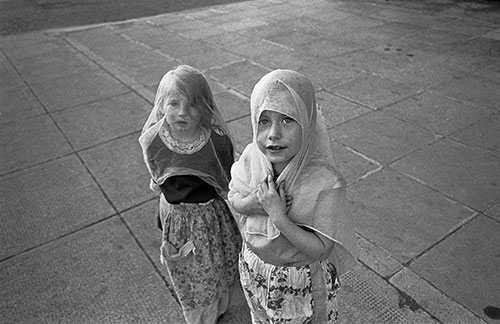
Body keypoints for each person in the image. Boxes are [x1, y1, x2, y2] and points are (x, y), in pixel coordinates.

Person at [228, 69, 358, 324]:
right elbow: (234, 197)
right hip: (255, 270)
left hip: (298, 284)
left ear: (307, 123)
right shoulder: (253, 157)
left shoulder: (325, 182)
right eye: (264, 121)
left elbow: (321, 249)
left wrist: (278, 216)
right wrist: (253, 203)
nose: (273, 133)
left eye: (287, 120)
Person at [138, 65, 241, 324]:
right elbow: (159, 179)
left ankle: (217, 307)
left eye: (193, 104)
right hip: (178, 220)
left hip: (211, 219)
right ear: (161, 105)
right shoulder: (154, 141)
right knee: (187, 272)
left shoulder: (216, 142)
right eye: (174, 103)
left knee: (215, 267)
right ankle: (199, 316)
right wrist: (164, 214)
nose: (182, 112)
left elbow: (226, 181)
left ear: (205, 107)